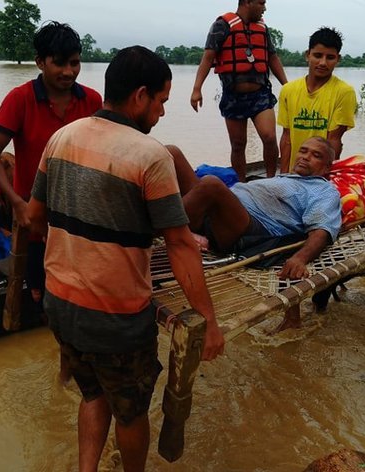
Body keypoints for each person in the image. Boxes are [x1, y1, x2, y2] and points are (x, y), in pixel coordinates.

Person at [27, 46, 224, 472]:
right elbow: (180, 245)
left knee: (94, 394)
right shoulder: (149, 156)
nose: (161, 113)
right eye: (161, 101)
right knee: (131, 411)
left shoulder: (62, 137)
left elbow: (33, 217)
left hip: (61, 306)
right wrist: (206, 322)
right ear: (139, 96)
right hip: (114, 318)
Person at [0, 22, 102, 306]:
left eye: (74, 63)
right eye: (59, 63)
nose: (69, 71)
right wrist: (16, 203)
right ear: (40, 62)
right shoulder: (20, 99)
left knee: (79, 288)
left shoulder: (92, 99)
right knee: (40, 294)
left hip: (79, 211)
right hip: (33, 211)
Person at [169, 136, 342, 329]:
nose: (305, 157)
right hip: (215, 212)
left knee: (211, 183)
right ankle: (174, 222)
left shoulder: (324, 191)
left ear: (327, 168)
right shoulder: (285, 177)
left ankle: (153, 229)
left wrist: (300, 258)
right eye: (303, 151)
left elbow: (322, 230)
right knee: (171, 153)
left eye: (316, 155)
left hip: (246, 230)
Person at [190, 0, 289, 180]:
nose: (264, 8)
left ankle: (271, 180)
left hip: (260, 94)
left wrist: (288, 87)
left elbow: (272, 58)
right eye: (261, 3)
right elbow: (208, 57)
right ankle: (241, 184)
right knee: (238, 144)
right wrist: (196, 89)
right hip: (233, 96)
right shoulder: (222, 26)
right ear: (247, 2)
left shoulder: (262, 29)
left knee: (269, 137)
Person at [277, 27, 357, 171]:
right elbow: (287, 138)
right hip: (294, 170)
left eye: (330, 57)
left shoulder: (344, 92)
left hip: (320, 172)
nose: (322, 63)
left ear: (338, 59)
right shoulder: (288, 90)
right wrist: (284, 176)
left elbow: (334, 140)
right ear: (308, 55)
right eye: (318, 55)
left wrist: (326, 177)